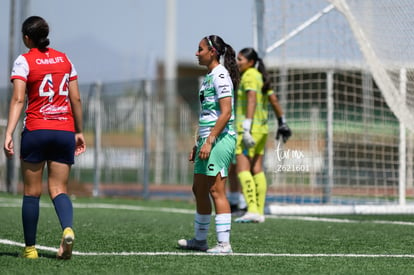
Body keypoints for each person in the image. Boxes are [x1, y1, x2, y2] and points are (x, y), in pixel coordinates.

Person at [3, 16, 86, 259]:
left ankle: (30, 249)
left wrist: (8, 132)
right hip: (64, 131)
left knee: (31, 193)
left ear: (27, 38)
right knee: (59, 189)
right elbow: (76, 99)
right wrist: (79, 131)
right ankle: (67, 229)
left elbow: (19, 99)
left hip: (37, 131)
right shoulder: (65, 59)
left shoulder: (24, 60)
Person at [177, 35, 240, 254]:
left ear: (212, 52)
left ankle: (224, 244)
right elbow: (208, 114)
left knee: (216, 190)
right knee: (199, 188)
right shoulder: (209, 76)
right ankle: (200, 240)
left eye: (200, 49)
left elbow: (226, 113)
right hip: (207, 140)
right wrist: (199, 142)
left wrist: (211, 140)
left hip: (220, 140)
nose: (196, 53)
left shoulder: (221, 76)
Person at [234, 47, 291, 223]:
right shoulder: (260, 77)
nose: (237, 62)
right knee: (257, 169)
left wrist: (246, 126)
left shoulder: (250, 75)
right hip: (262, 130)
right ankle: (259, 212)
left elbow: (251, 98)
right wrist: (282, 121)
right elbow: (273, 99)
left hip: (249, 130)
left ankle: (251, 209)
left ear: (250, 62)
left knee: (242, 170)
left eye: (240, 59)